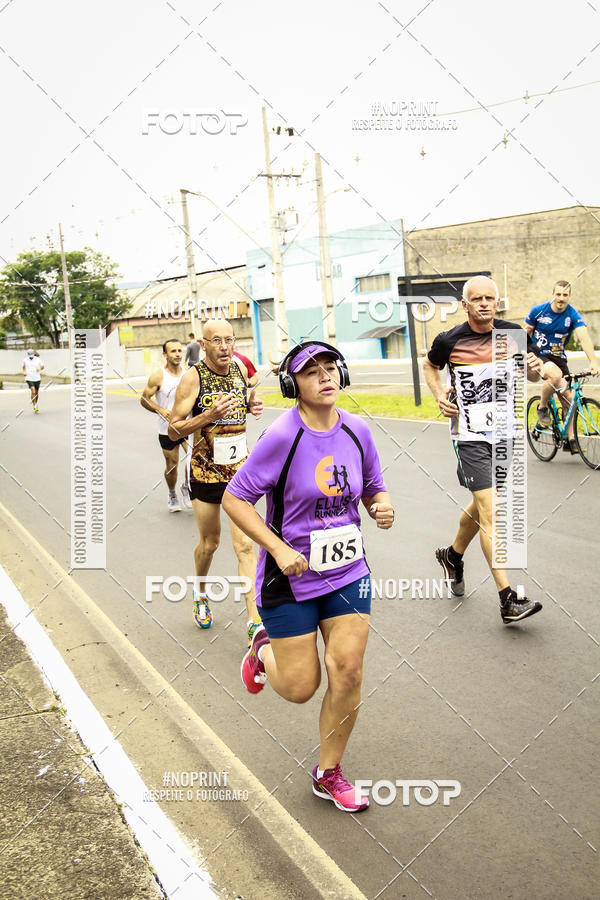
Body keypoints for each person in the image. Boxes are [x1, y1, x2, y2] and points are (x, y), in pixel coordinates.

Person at [222, 341, 394, 813]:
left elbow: (374, 486)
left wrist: (380, 505)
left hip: (347, 572)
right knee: (301, 688)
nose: (325, 377)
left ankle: (328, 773)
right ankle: (262, 649)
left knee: (349, 671)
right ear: (291, 384)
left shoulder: (357, 431)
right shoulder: (282, 436)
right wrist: (276, 547)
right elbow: (235, 499)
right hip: (290, 577)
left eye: (330, 368)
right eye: (311, 371)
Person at [423, 275, 545, 625]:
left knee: (482, 505)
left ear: (497, 302)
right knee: (492, 512)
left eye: (490, 298)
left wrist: (534, 369)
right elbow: (430, 365)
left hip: (505, 434)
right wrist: (437, 395)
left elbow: (532, 376)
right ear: (465, 305)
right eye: (477, 298)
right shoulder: (449, 340)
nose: (485, 303)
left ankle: (452, 554)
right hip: (470, 435)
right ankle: (508, 598)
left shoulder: (514, 334)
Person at [169, 319, 263, 642]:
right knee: (210, 543)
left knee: (246, 545)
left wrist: (251, 406)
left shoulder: (239, 370)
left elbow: (243, 404)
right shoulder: (192, 379)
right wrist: (207, 417)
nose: (224, 347)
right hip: (205, 472)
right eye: (216, 341)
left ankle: (254, 622)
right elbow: (173, 429)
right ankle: (200, 591)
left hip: (239, 472)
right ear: (203, 345)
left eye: (229, 340)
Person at [525, 280, 599, 452]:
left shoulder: (572, 315)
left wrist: (594, 362)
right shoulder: (538, 311)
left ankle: (570, 440)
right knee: (555, 376)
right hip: (539, 354)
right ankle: (542, 408)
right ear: (553, 295)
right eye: (558, 294)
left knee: (570, 400)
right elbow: (524, 332)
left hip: (559, 358)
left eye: (565, 295)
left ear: (569, 297)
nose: (561, 298)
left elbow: (584, 338)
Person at [140, 339, 191, 512]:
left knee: (194, 459)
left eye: (179, 350)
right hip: (167, 429)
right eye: (173, 351)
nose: (177, 354)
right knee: (172, 465)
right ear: (165, 355)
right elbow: (144, 399)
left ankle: (186, 486)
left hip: (187, 425)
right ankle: (172, 494)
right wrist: (160, 410)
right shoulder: (158, 376)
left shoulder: (188, 373)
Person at [22, 348, 44, 412]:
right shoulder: (25, 360)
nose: (31, 357)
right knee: (33, 390)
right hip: (29, 378)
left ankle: (35, 404)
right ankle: (34, 405)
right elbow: (23, 367)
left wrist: (39, 368)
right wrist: (24, 372)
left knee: (36, 393)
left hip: (37, 378)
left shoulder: (38, 359)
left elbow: (43, 366)